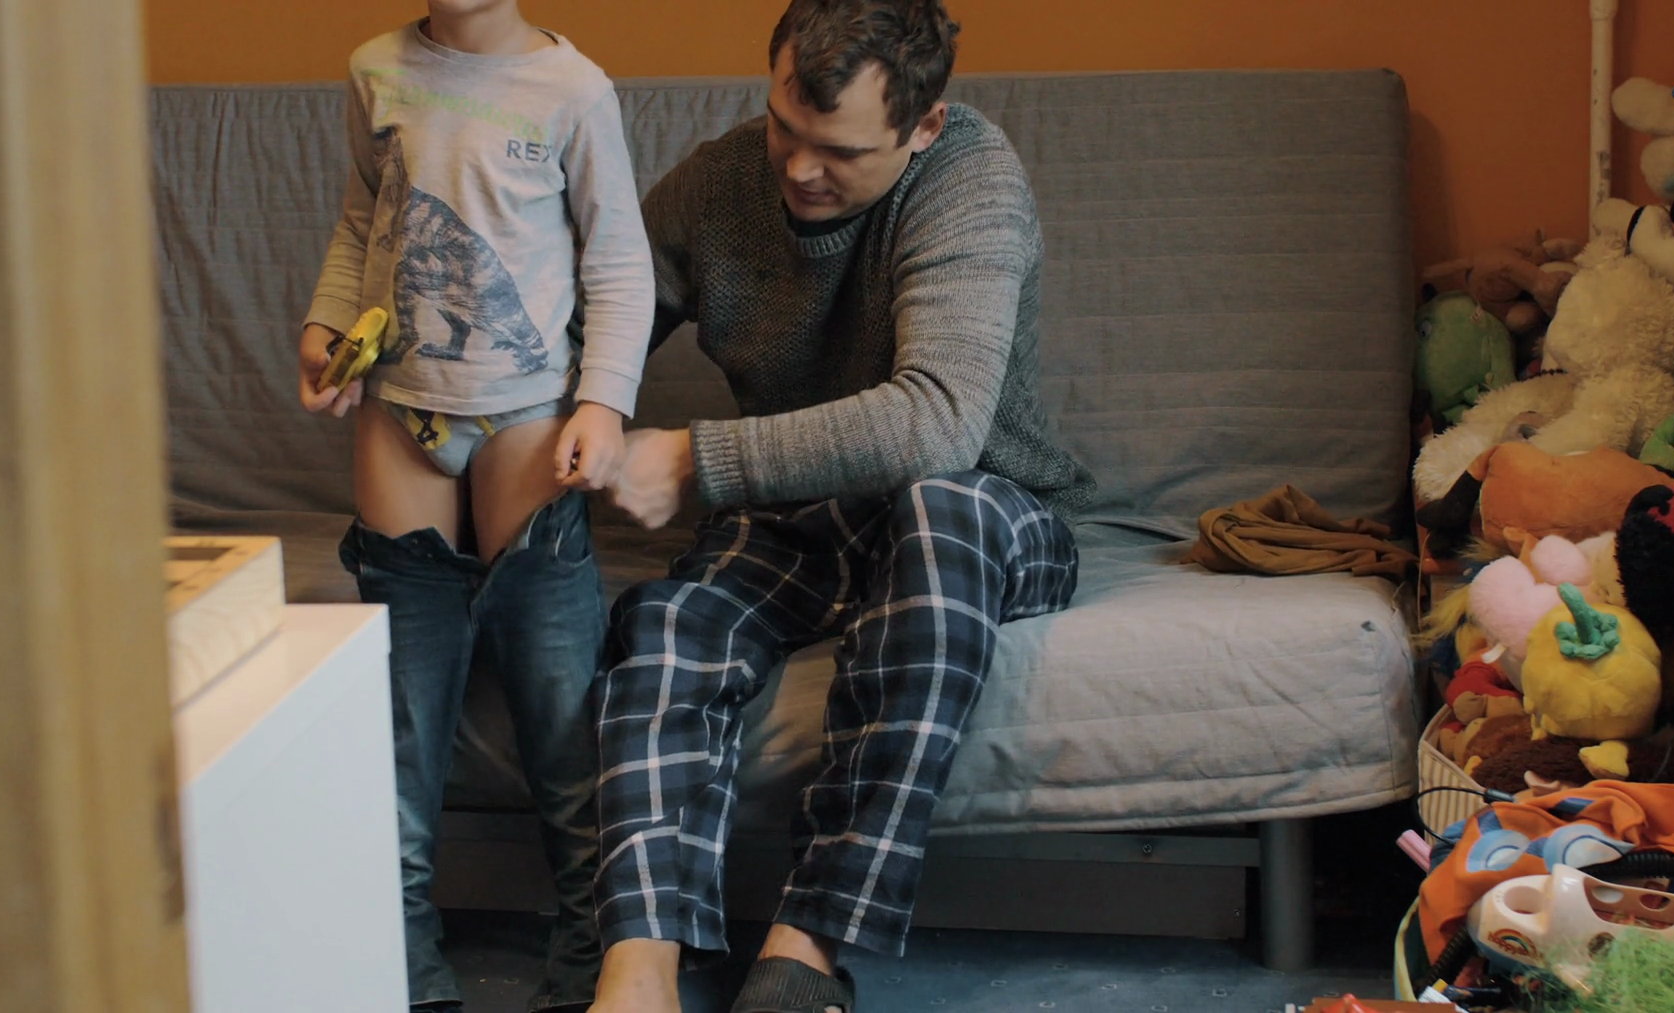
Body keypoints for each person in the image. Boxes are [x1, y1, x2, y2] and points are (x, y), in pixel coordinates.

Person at [588, 2, 1096, 1010]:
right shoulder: (719, 183)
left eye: (841, 151)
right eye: (785, 128)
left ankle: (806, 948)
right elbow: (594, 323)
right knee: (666, 622)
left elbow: (939, 422)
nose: (799, 168)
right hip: (798, 514)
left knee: (938, 510)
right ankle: (636, 969)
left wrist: (692, 457)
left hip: (983, 507)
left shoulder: (970, 178)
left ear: (923, 125)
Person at [297, 2, 654, 1010]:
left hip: (525, 418)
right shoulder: (374, 69)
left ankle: (588, 946)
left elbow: (618, 260)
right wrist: (327, 324)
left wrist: (603, 402)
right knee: (404, 723)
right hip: (398, 409)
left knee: (561, 710)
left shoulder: (574, 90)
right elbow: (365, 220)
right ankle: (403, 955)